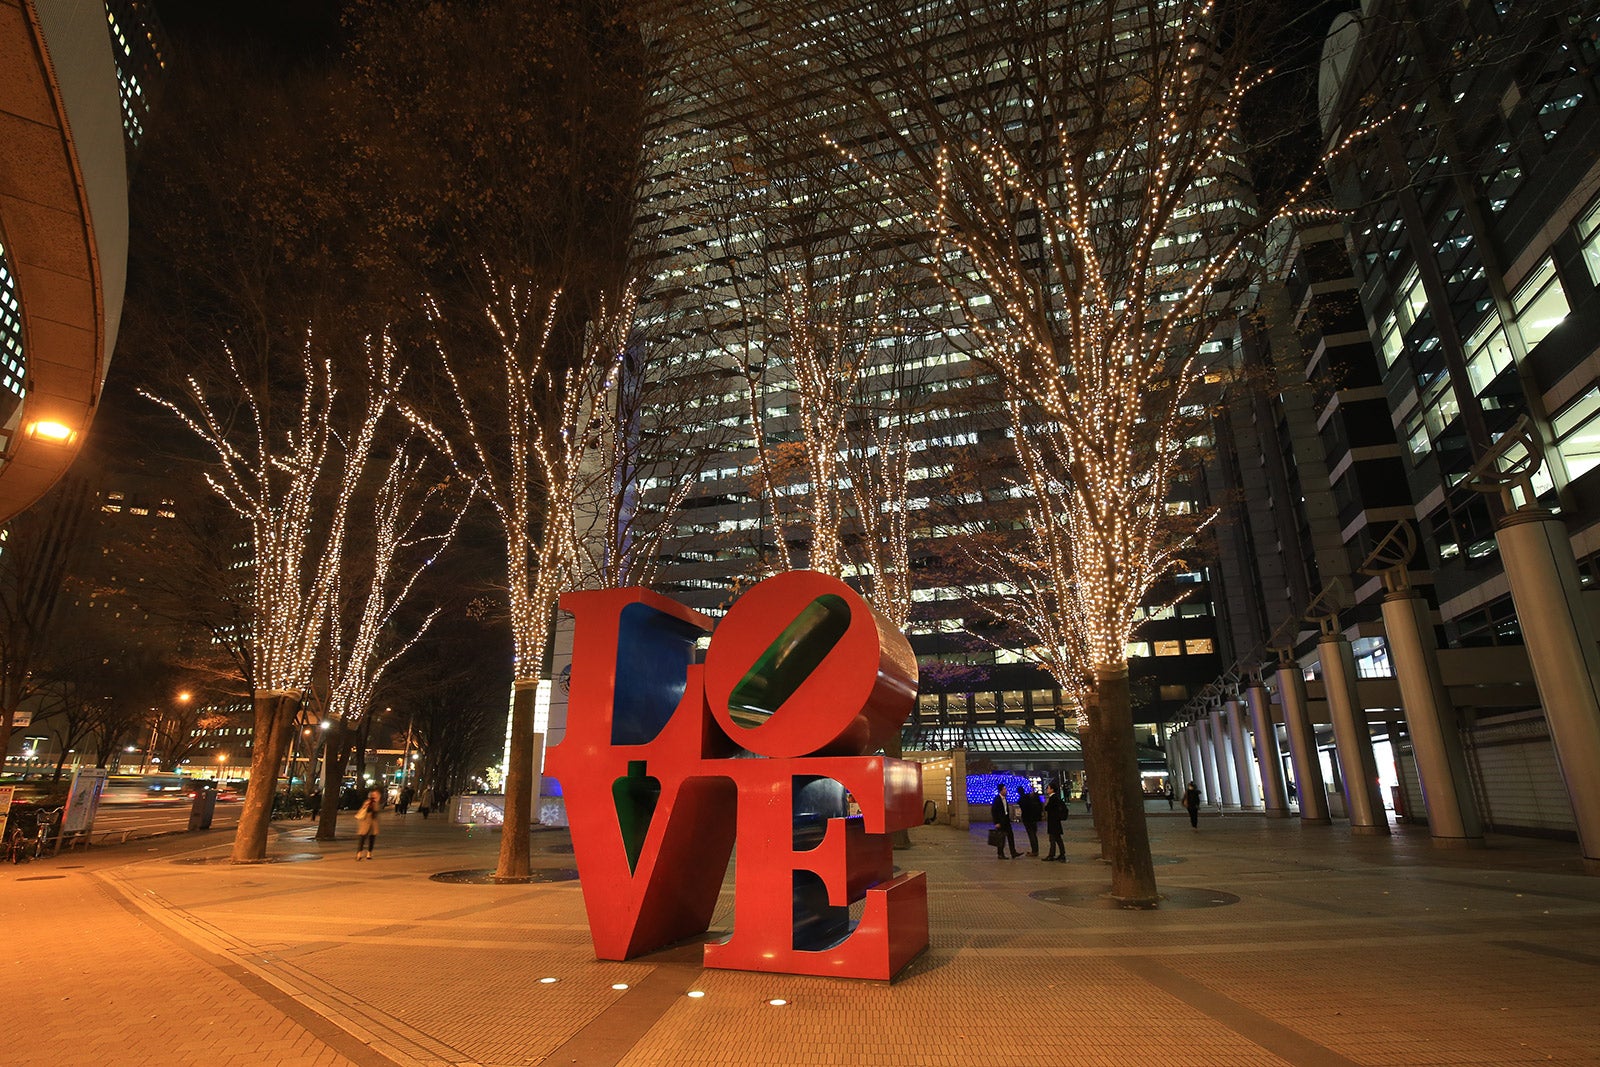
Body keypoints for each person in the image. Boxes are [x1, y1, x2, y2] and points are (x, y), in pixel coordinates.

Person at [990, 785, 1019, 858]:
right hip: (1000, 821)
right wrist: (996, 822)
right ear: (1001, 790)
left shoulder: (1005, 799)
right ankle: (1000, 854)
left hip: (1006, 821)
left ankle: (1013, 852)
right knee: (1001, 838)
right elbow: (994, 811)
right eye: (1004, 789)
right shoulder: (997, 799)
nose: (1006, 790)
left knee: (1010, 836)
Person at [1044, 783, 1068, 862]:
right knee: (1058, 838)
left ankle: (1052, 855)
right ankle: (1062, 854)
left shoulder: (1052, 798)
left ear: (1052, 790)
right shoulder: (1057, 798)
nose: (1047, 790)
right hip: (1056, 821)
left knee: (1053, 839)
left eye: (1048, 788)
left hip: (1053, 822)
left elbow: (1047, 808)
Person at [355, 789, 382, 859]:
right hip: (367, 822)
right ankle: (364, 853)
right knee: (366, 839)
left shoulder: (368, 802)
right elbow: (375, 811)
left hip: (368, 823)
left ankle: (363, 853)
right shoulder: (371, 803)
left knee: (365, 838)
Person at [1018, 785, 1043, 856]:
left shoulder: (1023, 799)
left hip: (1027, 819)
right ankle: (1035, 850)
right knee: (1034, 834)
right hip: (1034, 818)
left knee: (1031, 834)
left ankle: (1034, 851)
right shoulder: (1032, 797)